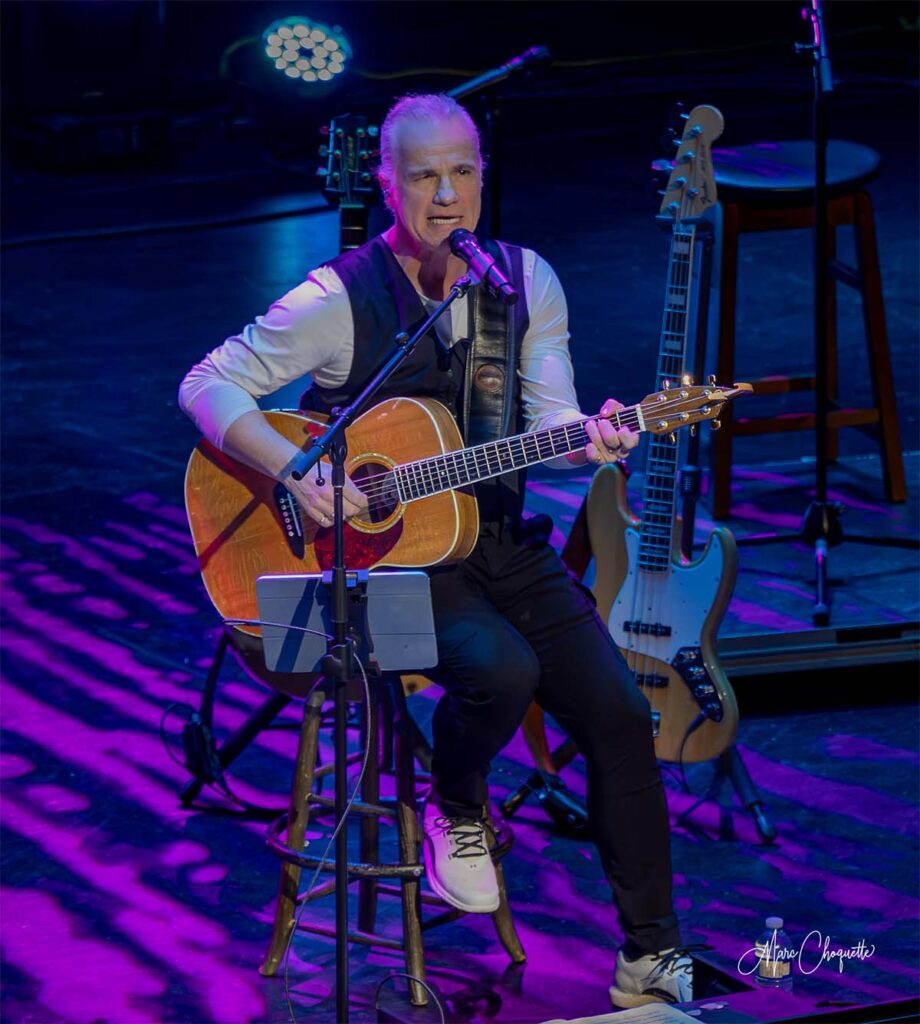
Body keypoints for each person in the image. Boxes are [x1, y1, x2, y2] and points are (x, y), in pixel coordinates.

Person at [179, 93, 692, 1008]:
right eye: (424, 176)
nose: (446, 195)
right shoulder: (336, 298)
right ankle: (459, 803)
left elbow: (554, 423)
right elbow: (208, 383)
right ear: (388, 184)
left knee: (618, 713)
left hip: (497, 538)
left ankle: (651, 955)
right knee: (500, 668)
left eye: (463, 172)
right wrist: (295, 470)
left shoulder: (526, 281)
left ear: (484, 178)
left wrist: (597, 438)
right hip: (384, 564)